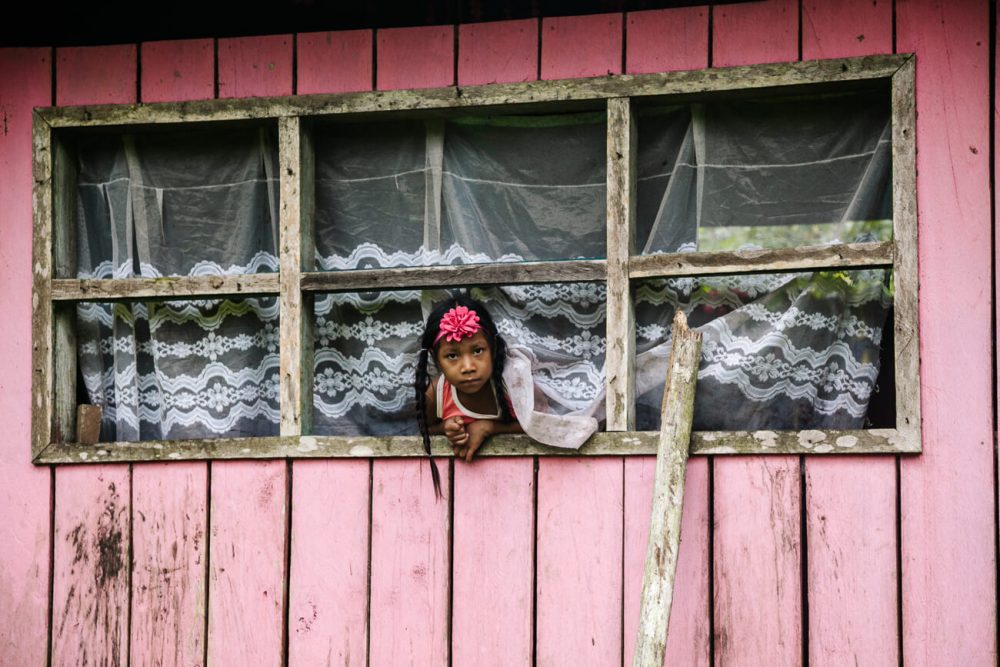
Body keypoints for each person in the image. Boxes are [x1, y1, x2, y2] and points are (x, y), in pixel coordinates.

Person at [415, 295, 523, 495]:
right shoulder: (436, 395)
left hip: (520, 485)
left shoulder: (513, 385)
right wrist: (445, 429)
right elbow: (426, 429)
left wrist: (489, 427)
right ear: (436, 361)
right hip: (459, 492)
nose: (468, 367)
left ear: (493, 348)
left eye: (478, 350)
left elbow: (540, 424)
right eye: (452, 355)